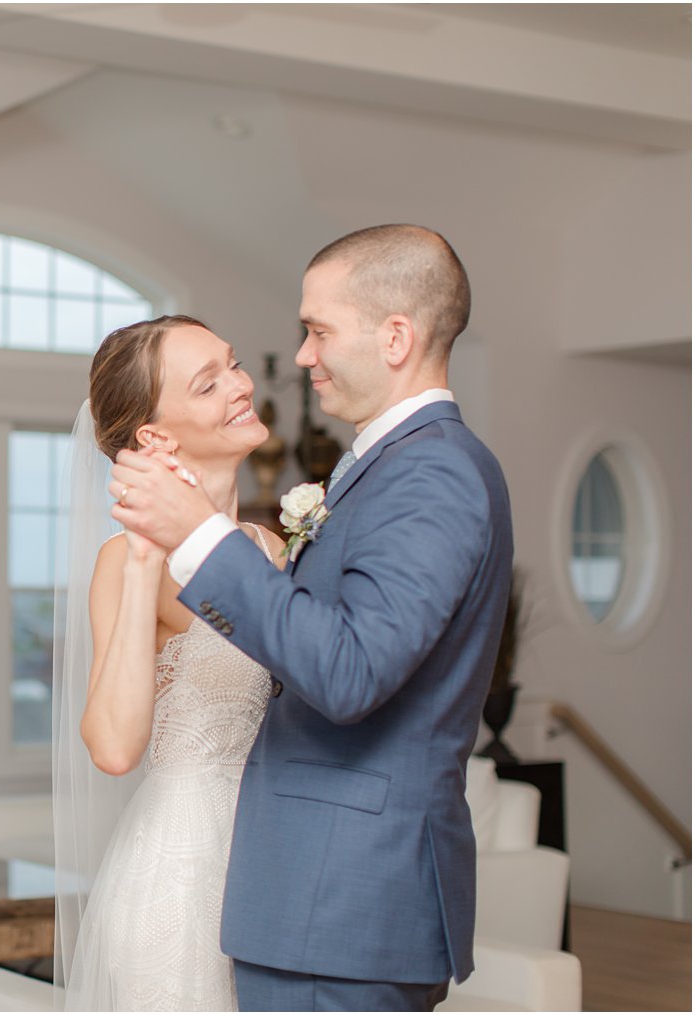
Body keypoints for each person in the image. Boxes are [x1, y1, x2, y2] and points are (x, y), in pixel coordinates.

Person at [109, 225, 513, 1011]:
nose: (300, 356)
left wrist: (197, 535)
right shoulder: (386, 466)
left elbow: (350, 671)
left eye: (319, 330)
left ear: (395, 337)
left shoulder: (433, 471)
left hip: (342, 899)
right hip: (306, 895)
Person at [52, 314, 284, 1011]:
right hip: (182, 875)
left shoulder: (275, 547)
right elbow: (116, 747)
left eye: (234, 364)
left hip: (271, 863)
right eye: (210, 383)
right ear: (154, 437)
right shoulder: (128, 561)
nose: (242, 386)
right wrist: (146, 557)